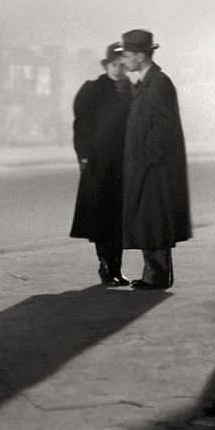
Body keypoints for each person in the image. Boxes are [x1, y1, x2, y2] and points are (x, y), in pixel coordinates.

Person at [119, 29, 192, 289]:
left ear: (140, 55)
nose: (124, 61)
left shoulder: (159, 83)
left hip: (155, 168)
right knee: (148, 220)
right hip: (147, 166)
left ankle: (157, 276)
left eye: (127, 55)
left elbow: (162, 128)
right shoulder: (147, 83)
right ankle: (152, 273)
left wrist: (147, 158)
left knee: (154, 221)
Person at [69, 42, 132, 286]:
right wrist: (83, 156)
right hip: (98, 163)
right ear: (107, 65)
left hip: (123, 164)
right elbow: (81, 126)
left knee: (119, 218)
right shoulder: (92, 90)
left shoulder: (130, 91)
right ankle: (106, 266)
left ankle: (117, 268)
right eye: (114, 65)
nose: (118, 70)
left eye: (122, 66)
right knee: (101, 217)